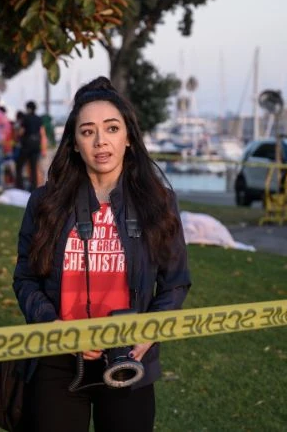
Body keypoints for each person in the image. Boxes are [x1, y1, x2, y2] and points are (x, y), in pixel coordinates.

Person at [12, 77, 191, 432]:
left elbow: (175, 283)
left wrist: (149, 331)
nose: (100, 141)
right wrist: (55, 327)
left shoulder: (157, 202)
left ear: (128, 137)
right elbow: (25, 279)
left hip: (128, 360)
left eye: (111, 128)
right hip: (58, 359)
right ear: (74, 144)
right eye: (87, 132)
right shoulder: (45, 202)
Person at [15, 100, 46, 191]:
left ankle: (19, 186)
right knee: (33, 167)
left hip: (26, 144)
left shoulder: (25, 118)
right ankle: (33, 187)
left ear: (28, 108)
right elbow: (41, 132)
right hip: (36, 144)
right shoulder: (39, 118)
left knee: (19, 165)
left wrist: (17, 134)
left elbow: (21, 131)